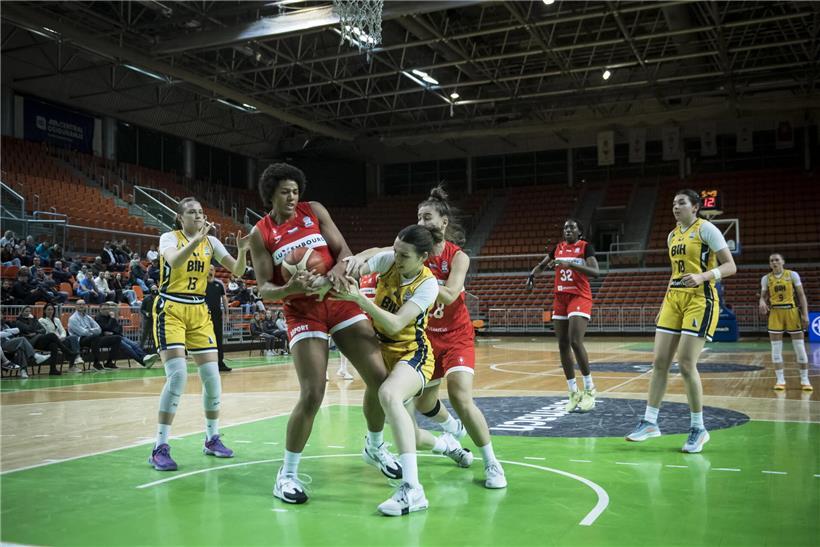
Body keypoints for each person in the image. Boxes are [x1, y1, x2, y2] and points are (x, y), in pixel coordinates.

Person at [248, 162, 399, 505]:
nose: (292, 197)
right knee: (313, 393)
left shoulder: (314, 210)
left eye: (295, 191)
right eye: (285, 192)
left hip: (339, 300)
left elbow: (344, 252)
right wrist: (289, 288)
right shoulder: (261, 233)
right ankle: (287, 474)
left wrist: (338, 271)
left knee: (381, 380)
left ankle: (375, 447)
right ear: (271, 194)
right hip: (303, 312)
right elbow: (264, 288)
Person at [337, 224, 473, 516]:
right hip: (382, 350)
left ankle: (413, 490)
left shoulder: (428, 285)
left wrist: (359, 299)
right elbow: (357, 267)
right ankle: (444, 445)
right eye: (396, 251)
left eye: (404, 255)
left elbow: (396, 324)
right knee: (408, 430)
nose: (396, 258)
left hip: (413, 353)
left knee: (387, 394)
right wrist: (343, 268)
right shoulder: (390, 261)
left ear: (422, 257)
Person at [625, 189, 736, 453]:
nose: (676, 207)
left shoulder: (706, 229)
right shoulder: (672, 235)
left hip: (700, 300)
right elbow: (675, 272)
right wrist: (664, 303)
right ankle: (650, 422)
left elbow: (731, 266)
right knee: (659, 362)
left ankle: (698, 428)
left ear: (695, 207)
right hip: (673, 300)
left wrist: (703, 276)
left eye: (682, 203)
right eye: (674, 203)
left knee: (686, 364)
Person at [148, 197, 250, 472]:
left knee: (212, 377)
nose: (198, 216)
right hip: (171, 308)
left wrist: (242, 252)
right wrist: (197, 239)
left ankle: (211, 438)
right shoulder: (169, 238)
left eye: (201, 212)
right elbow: (175, 261)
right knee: (178, 376)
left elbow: (238, 271)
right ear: (180, 218)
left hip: (198, 310)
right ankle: (159, 446)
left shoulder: (212, 242)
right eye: (192, 213)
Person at [527, 218, 600, 412]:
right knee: (562, 344)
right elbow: (542, 265)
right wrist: (532, 276)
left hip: (579, 296)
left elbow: (595, 271)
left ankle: (590, 389)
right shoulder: (557, 248)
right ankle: (573, 392)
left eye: (572, 227)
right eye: (565, 227)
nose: (568, 230)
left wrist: (571, 265)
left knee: (575, 341)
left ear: (579, 232)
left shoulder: (585, 247)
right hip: (560, 298)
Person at [759, 254, 812, 391]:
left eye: (777, 260)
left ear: (783, 261)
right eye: (771, 260)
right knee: (776, 349)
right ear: (769, 264)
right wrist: (762, 301)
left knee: (799, 347)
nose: (774, 262)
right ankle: (780, 380)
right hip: (775, 312)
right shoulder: (766, 278)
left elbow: (801, 295)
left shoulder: (792, 275)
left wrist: (805, 314)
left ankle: (805, 380)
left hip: (792, 311)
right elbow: (763, 296)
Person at [95, 302, 159, 369]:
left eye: (108, 309)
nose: (106, 311)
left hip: (117, 336)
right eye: (104, 309)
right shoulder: (99, 318)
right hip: (109, 339)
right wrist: (112, 320)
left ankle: (145, 357)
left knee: (134, 344)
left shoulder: (110, 317)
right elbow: (106, 327)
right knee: (128, 348)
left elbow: (119, 328)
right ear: (100, 310)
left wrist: (112, 330)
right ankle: (143, 362)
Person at [68, 299, 124, 371]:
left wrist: (90, 331)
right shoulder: (73, 318)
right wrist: (93, 331)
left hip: (93, 338)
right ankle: (96, 363)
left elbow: (99, 329)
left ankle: (109, 362)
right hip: (80, 340)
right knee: (95, 337)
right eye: (79, 304)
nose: (81, 306)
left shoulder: (88, 317)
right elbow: (82, 332)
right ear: (75, 306)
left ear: (85, 306)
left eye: (83, 304)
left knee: (117, 338)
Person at [13, 306, 66, 375]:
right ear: (22, 312)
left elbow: (43, 330)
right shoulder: (18, 321)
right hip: (27, 342)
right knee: (52, 335)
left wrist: (35, 332)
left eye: (29, 311)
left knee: (53, 345)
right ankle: (66, 351)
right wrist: (34, 321)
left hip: (37, 338)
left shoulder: (32, 320)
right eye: (26, 311)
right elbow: (29, 328)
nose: (28, 313)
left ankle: (53, 369)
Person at [39, 302, 84, 373]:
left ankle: (77, 358)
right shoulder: (41, 320)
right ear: (44, 311)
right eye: (48, 309)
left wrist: (62, 336)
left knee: (73, 338)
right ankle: (72, 363)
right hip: (52, 340)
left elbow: (62, 330)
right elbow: (47, 332)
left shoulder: (57, 320)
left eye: (52, 309)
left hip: (61, 339)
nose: (50, 311)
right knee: (69, 343)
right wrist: (58, 338)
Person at [205, 266, 231, 372]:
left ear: (215, 271)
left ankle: (220, 363)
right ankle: (207, 364)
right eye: (208, 269)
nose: (210, 270)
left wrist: (227, 314)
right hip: (204, 315)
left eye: (212, 269)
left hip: (216, 315)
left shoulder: (219, 283)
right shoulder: (201, 283)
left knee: (218, 339)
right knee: (206, 339)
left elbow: (224, 298)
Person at [140, 284, 158, 353]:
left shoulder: (158, 298)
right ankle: (140, 349)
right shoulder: (146, 298)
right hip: (147, 319)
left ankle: (154, 350)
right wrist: (146, 313)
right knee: (144, 335)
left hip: (155, 319)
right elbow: (142, 309)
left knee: (155, 335)